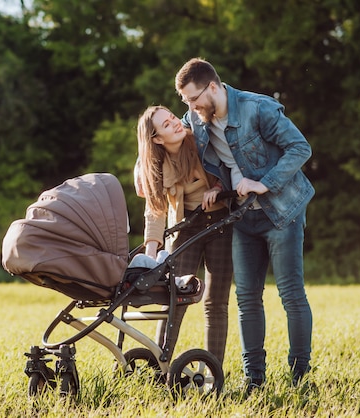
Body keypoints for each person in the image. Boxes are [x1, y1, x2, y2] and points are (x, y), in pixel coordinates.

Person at [174, 57, 315, 393]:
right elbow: (164, 136)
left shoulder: (257, 108)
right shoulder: (198, 119)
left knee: (291, 295)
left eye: (194, 99)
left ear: (212, 87)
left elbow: (300, 148)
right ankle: (255, 380)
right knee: (248, 299)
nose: (191, 109)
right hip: (242, 216)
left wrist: (263, 183)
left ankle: (301, 378)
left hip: (282, 211)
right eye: (186, 103)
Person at [135, 105, 232, 366]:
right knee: (174, 301)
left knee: (215, 303)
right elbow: (155, 212)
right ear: (157, 139)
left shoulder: (200, 141)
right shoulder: (155, 164)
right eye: (166, 125)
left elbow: (228, 164)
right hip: (184, 228)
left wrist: (220, 187)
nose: (176, 124)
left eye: (173, 118)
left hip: (220, 223)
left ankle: (212, 371)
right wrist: (150, 257)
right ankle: (158, 367)